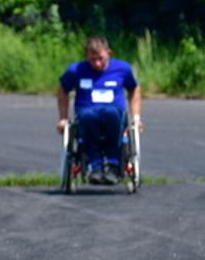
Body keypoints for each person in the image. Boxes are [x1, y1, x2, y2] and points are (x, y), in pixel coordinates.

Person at [57, 35, 142, 185]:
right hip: (87, 111)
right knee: (88, 117)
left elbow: (134, 89)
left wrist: (136, 117)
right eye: (92, 59)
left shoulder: (122, 69)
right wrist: (63, 118)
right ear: (86, 56)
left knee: (111, 114)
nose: (97, 63)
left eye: (101, 59)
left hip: (114, 112)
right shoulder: (75, 70)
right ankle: (94, 165)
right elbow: (63, 90)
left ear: (109, 53)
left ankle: (113, 164)